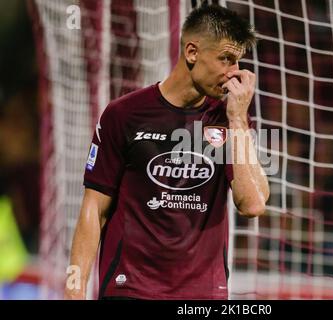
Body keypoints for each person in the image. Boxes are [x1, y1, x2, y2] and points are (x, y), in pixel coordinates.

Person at [64, 4, 270, 300]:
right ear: (192, 52)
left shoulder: (229, 119)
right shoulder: (123, 115)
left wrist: (238, 118)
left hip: (201, 296)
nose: (233, 74)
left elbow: (252, 205)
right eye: (226, 59)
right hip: (131, 289)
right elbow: (94, 208)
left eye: (237, 62)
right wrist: (74, 289)